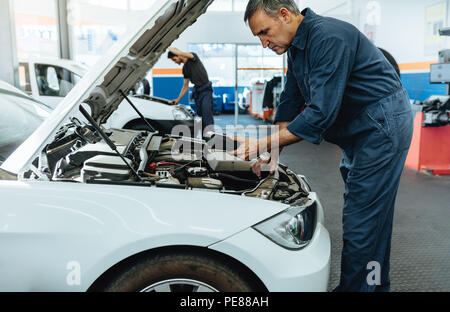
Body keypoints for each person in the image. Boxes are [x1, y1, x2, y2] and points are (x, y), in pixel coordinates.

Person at [234, 0, 414, 292]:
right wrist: (272, 155)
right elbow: (291, 101)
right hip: (360, 130)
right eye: (258, 37)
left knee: (362, 221)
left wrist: (262, 143)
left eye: (265, 32)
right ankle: (375, 285)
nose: (264, 43)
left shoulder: (328, 37)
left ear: (284, 14)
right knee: (371, 218)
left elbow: (320, 113)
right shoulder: (297, 47)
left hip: (381, 128)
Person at [167, 47, 214, 136]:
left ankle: (210, 134)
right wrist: (178, 99)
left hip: (206, 90)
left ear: (179, 56)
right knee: (200, 116)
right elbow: (185, 86)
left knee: (206, 111)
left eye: (175, 59)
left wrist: (167, 46)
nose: (175, 62)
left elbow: (179, 51)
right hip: (197, 92)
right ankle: (205, 138)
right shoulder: (185, 69)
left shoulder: (193, 58)